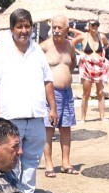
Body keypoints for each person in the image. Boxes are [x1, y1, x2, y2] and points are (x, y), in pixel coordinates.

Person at [0, 8, 57, 193]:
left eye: (27, 26)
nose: (24, 30)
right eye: (19, 27)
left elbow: (48, 81)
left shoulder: (38, 50)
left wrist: (53, 108)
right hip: (10, 118)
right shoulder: (0, 50)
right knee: (10, 160)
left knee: (32, 161)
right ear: (11, 29)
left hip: (35, 117)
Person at [41, 23, 80, 176]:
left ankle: (65, 162)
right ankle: (49, 164)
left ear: (66, 30)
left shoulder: (70, 45)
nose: (56, 30)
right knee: (49, 128)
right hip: (51, 92)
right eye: (54, 27)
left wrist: (65, 77)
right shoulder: (44, 47)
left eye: (60, 27)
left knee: (66, 128)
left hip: (67, 92)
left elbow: (72, 63)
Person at [72, 20, 109, 123]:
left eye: (97, 24)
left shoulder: (101, 36)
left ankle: (102, 116)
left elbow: (107, 44)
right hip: (87, 66)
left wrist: (102, 51)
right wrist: (80, 53)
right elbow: (72, 43)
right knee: (86, 93)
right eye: (93, 25)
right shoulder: (83, 36)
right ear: (88, 26)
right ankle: (83, 118)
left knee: (100, 92)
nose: (95, 27)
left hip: (99, 66)